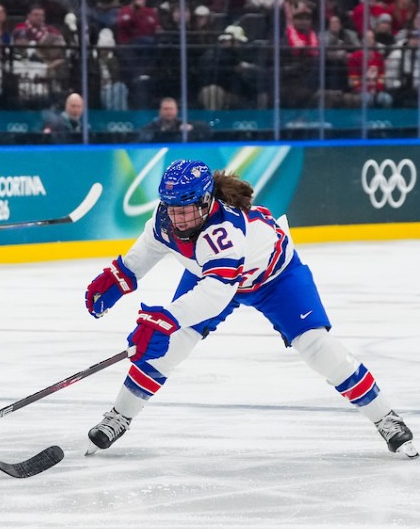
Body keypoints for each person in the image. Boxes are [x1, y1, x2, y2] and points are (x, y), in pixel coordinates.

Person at [82, 159, 416, 458]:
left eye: (186, 210)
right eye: (172, 209)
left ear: (206, 201)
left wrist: (165, 320)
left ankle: (385, 417)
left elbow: (215, 295)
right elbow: (146, 252)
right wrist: (117, 279)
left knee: (318, 347)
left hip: (276, 278)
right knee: (170, 347)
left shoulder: (224, 232)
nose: (178, 219)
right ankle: (119, 416)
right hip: (212, 276)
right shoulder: (165, 218)